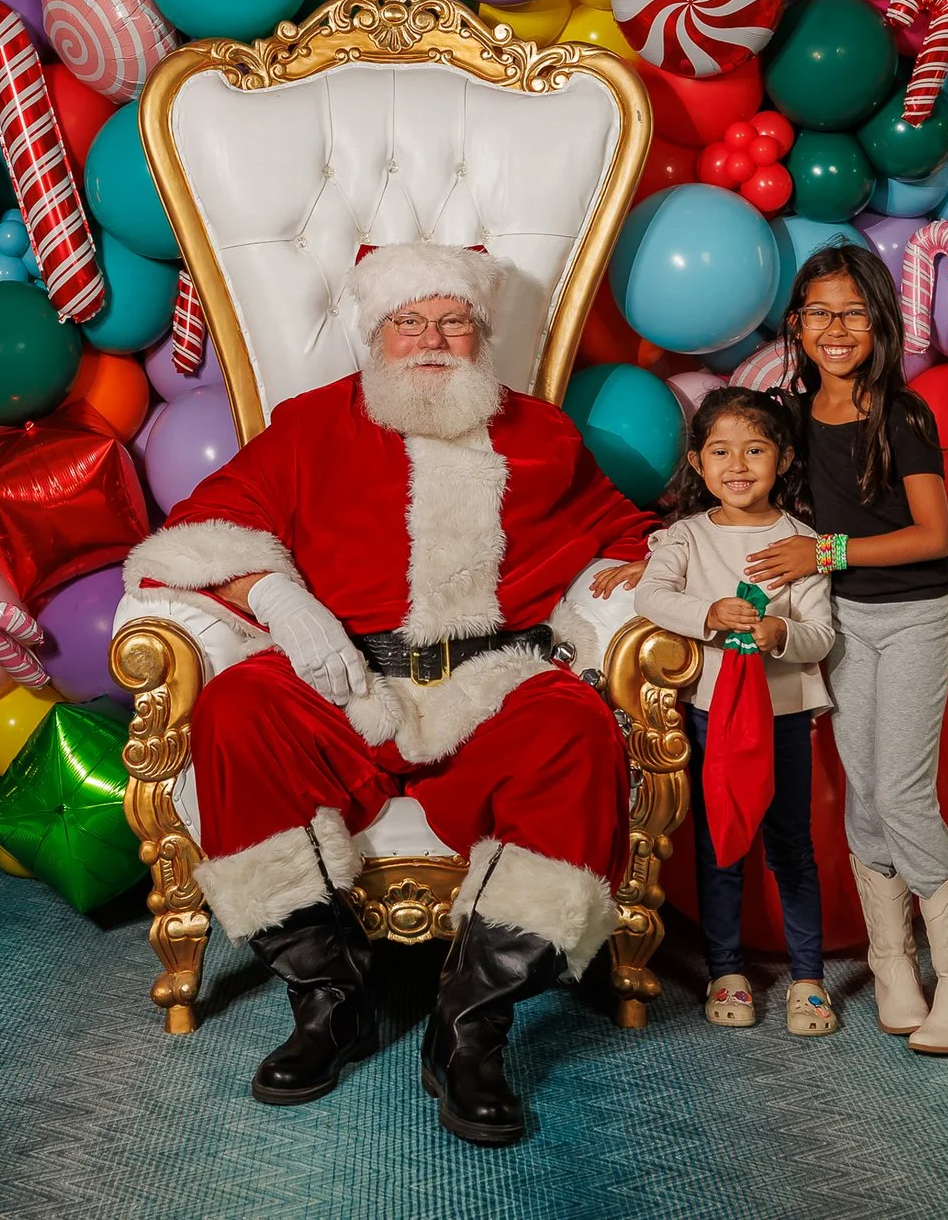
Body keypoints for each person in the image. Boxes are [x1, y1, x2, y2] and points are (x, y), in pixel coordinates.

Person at [120, 242, 657, 1146]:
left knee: (576, 725)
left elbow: (629, 535)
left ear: (481, 336)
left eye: (453, 322)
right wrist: (278, 600)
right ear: (376, 335)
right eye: (409, 321)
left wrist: (650, 581)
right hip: (345, 685)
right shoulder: (309, 425)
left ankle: (470, 1027)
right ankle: (331, 1000)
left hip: (494, 683)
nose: (432, 340)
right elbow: (196, 533)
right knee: (237, 711)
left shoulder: (541, 434)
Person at [746, 245, 948, 1056]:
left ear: (880, 322)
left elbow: (935, 536)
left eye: (853, 312)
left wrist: (825, 553)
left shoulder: (903, 414)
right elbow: (737, 494)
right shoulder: (785, 418)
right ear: (796, 323)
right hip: (842, 622)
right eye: (818, 311)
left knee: (901, 793)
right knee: (862, 791)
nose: (835, 328)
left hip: (914, 617)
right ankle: (894, 967)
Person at [593, 386, 836, 1033]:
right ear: (698, 464)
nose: (738, 464)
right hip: (709, 713)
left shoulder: (800, 541)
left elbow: (821, 634)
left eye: (755, 449)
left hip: (782, 713)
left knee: (791, 845)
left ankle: (808, 978)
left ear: (782, 459)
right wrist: (707, 614)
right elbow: (652, 597)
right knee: (720, 844)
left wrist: (779, 634)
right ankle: (725, 970)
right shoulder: (686, 537)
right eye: (721, 451)